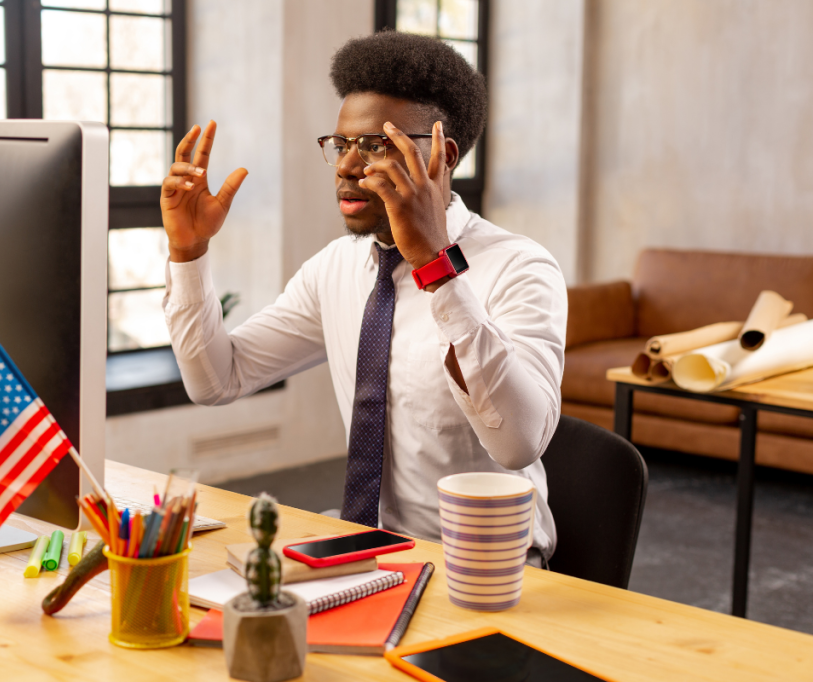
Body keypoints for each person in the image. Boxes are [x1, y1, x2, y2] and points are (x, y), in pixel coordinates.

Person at [159, 31, 566, 567]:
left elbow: (517, 444)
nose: (348, 165)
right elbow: (216, 380)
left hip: (484, 563)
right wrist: (188, 253)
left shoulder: (520, 268)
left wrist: (433, 265)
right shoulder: (338, 267)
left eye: (376, 145)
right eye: (341, 144)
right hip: (369, 553)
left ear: (442, 157)